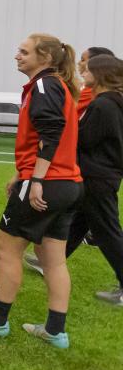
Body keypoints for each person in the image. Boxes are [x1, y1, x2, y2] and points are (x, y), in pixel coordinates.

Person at [0, 34, 82, 349]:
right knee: (52, 258)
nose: (17, 56)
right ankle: (55, 330)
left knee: (6, 247)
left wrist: (35, 180)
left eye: (24, 52)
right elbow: (47, 136)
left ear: (46, 58)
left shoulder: (44, 86)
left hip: (47, 183)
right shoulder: (54, 86)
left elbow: (50, 133)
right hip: (68, 184)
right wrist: (21, 173)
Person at [64, 54, 123, 306]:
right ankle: (51, 261)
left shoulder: (104, 105)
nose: (83, 74)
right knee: (77, 222)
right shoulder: (112, 102)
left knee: (107, 232)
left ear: (100, 76)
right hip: (101, 175)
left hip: (97, 176)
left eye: (88, 71)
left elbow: (85, 139)